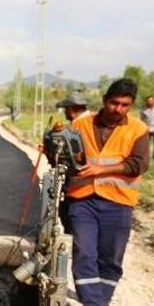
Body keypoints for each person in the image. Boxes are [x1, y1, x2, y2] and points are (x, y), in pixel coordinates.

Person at [67, 78, 150, 306]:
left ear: (131, 105)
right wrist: (53, 150)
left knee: (111, 256)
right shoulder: (80, 124)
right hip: (83, 199)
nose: (119, 109)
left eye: (125, 105)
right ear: (105, 100)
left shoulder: (138, 130)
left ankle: (102, 302)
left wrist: (101, 171)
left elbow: (139, 164)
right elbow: (68, 153)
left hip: (118, 202)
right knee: (84, 250)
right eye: (114, 103)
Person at [54, 92, 91, 234]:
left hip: (80, 182)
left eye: (65, 110)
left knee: (70, 215)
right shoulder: (90, 121)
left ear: (71, 109)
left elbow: (74, 155)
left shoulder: (78, 126)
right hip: (86, 181)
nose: (64, 113)